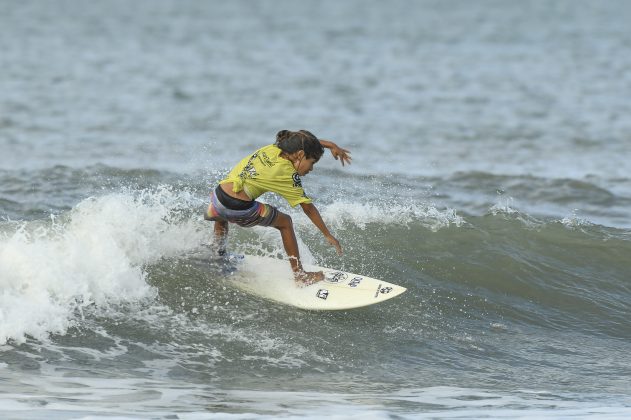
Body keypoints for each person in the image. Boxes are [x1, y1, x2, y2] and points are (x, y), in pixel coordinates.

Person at [204, 129, 352, 285]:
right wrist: (328, 235)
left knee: (223, 213)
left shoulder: (273, 148)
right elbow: (308, 208)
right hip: (238, 208)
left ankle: (217, 253)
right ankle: (300, 275)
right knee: (285, 222)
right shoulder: (287, 174)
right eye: (312, 162)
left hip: (216, 198)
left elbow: (303, 143)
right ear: (300, 155)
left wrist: (331, 145)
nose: (311, 169)